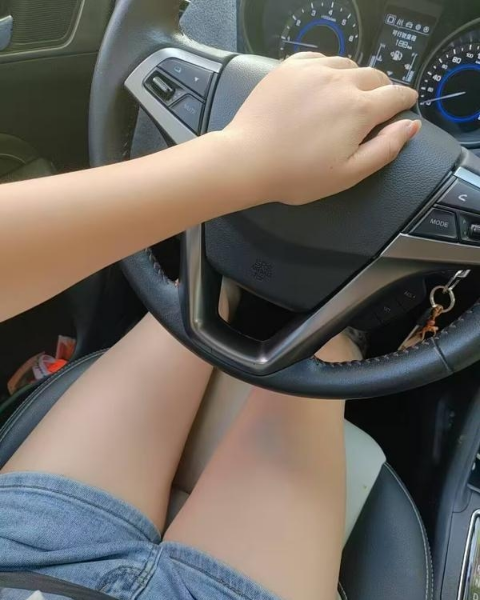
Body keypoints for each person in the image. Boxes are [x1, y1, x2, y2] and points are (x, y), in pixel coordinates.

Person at [0, 54, 420, 600]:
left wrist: (245, 162)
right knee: (320, 357)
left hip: (19, 568)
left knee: (183, 312)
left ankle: (220, 288)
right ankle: (328, 330)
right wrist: (247, 157)